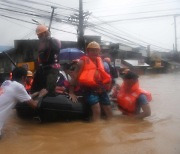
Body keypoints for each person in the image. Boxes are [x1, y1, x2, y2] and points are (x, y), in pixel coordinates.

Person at [69, 41, 113, 121]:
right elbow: (74, 77)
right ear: (88, 51)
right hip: (88, 89)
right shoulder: (82, 62)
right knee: (96, 109)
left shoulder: (101, 62)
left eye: (96, 50)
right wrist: (71, 92)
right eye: (92, 50)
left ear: (99, 51)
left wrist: (107, 87)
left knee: (108, 109)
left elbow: (105, 77)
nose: (95, 52)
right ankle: (96, 128)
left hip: (101, 88)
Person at [0, 67, 48, 138]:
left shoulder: (6, 83)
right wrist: (41, 95)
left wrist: (35, 94)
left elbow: (20, 96)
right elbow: (35, 105)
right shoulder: (19, 87)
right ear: (23, 78)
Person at [31, 25, 61, 95]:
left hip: (52, 68)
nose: (39, 37)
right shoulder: (41, 43)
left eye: (40, 35)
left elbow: (57, 47)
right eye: (38, 35)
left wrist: (49, 39)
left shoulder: (53, 41)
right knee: (35, 89)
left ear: (45, 33)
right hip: (42, 68)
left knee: (49, 90)